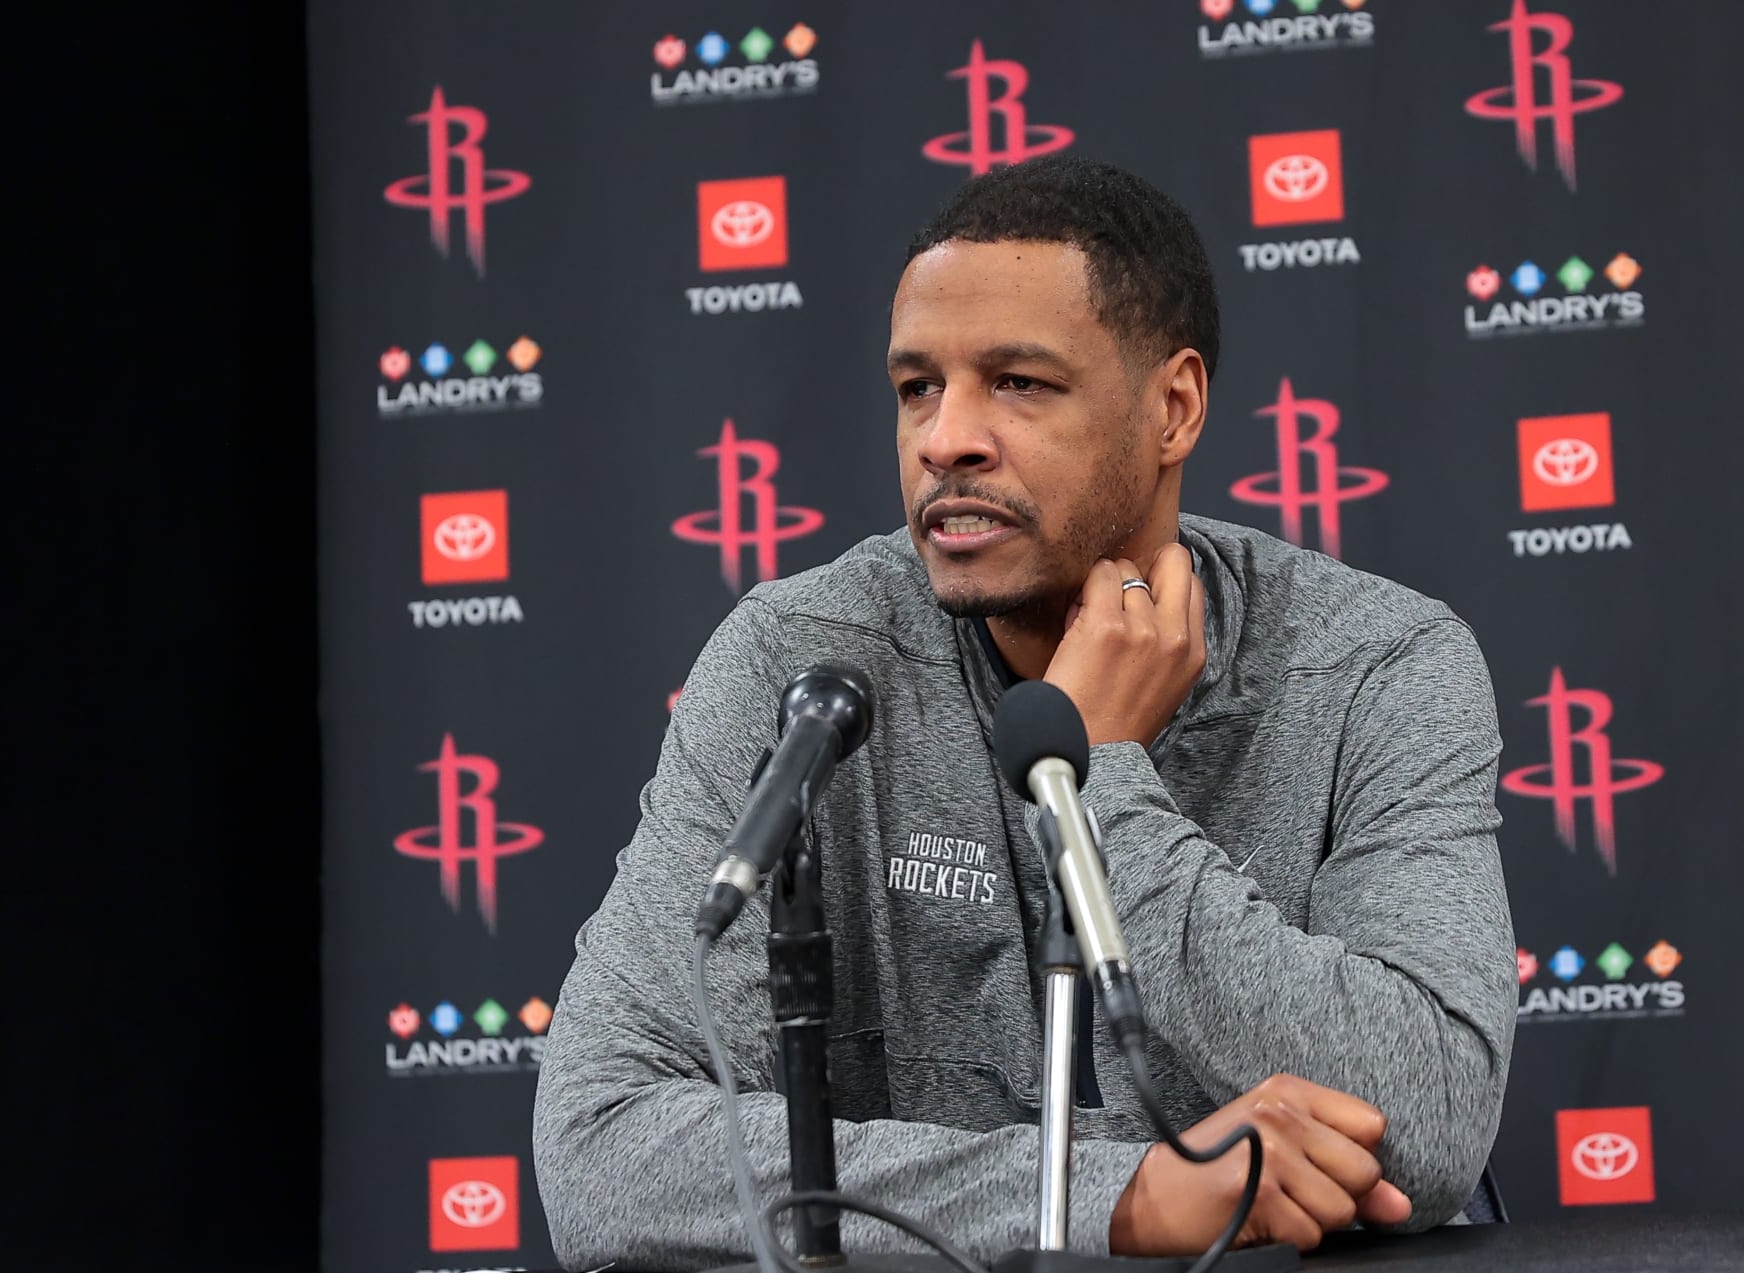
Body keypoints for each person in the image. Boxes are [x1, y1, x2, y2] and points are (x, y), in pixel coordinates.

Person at [534, 155, 1516, 1270]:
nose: (945, 438)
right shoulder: (801, 664)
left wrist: (1100, 779)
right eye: (917, 387)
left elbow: (1427, 1124)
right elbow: (603, 1146)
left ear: (1174, 407)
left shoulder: (1378, 664)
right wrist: (1122, 1194)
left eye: (1019, 383)